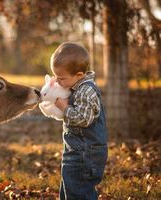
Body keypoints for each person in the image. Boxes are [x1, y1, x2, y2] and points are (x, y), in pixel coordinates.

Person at [51, 42, 108, 200]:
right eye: (55, 76)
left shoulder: (86, 91)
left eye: (61, 78)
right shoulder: (76, 87)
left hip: (86, 154)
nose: (57, 81)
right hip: (76, 151)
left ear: (79, 75)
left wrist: (64, 107)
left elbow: (83, 119)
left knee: (79, 191)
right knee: (69, 187)